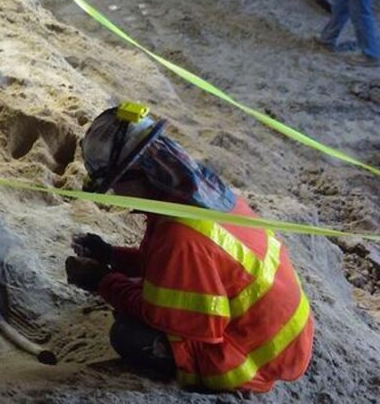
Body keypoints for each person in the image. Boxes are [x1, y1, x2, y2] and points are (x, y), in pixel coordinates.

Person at [65, 102, 314, 393]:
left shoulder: (179, 235)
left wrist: (102, 281)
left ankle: (231, 379)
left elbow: (165, 315)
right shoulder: (199, 196)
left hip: (259, 356)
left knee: (128, 334)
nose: (116, 195)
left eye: (116, 184)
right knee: (133, 293)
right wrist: (112, 255)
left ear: (141, 174)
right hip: (278, 330)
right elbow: (172, 270)